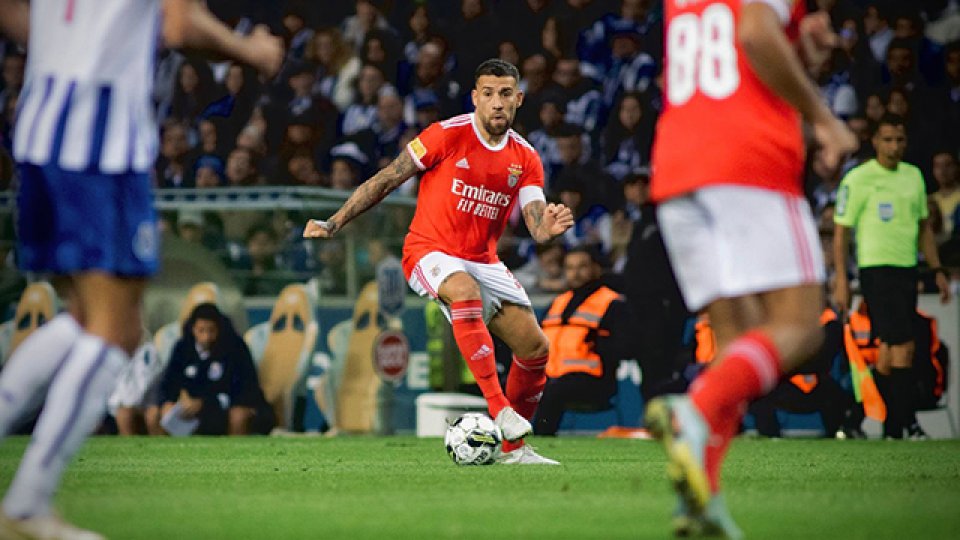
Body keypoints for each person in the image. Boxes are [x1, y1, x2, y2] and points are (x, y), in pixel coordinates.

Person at [0, 1, 281, 537]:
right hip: (98, 142)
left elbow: (14, 15)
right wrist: (251, 50)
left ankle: (27, 504)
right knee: (117, 330)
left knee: (86, 319)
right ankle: (28, 505)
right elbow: (177, 21)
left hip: (38, 128)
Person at [642, 1, 858, 537]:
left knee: (737, 342)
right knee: (800, 326)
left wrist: (798, 46)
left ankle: (702, 499)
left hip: (677, 164)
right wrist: (824, 119)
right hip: (747, 160)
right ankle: (692, 407)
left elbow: (728, 54)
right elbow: (756, 32)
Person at [305, 58, 574, 465]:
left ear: (518, 99)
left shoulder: (526, 157)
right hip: (429, 251)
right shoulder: (446, 135)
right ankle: (500, 409)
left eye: (505, 94)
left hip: (483, 260)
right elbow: (387, 179)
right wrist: (334, 221)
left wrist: (547, 228)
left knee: (535, 348)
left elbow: (535, 220)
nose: (497, 103)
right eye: (488, 94)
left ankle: (515, 452)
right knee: (462, 290)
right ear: (475, 98)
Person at [833, 113, 952, 440]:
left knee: (888, 353)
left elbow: (924, 228)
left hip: (906, 270)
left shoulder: (913, 177)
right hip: (876, 270)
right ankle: (903, 424)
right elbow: (841, 233)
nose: (894, 146)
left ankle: (855, 418)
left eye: (899, 140)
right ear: (874, 141)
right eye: (887, 140)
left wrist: (937, 269)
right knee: (905, 346)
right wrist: (842, 279)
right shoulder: (859, 179)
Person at [533, 247, 636, 436]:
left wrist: (600, 344)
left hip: (593, 380)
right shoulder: (557, 303)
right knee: (513, 384)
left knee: (556, 389)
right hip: (551, 376)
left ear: (596, 269)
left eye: (582, 267)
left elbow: (626, 347)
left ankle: (540, 439)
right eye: (570, 268)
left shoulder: (612, 303)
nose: (575, 273)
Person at [159, 303, 274, 436]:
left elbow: (245, 387)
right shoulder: (182, 348)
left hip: (224, 407)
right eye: (201, 330)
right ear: (193, 329)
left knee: (238, 415)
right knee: (158, 412)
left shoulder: (235, 347)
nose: (206, 337)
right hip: (188, 409)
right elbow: (169, 382)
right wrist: (173, 400)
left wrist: (205, 403)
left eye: (211, 330)